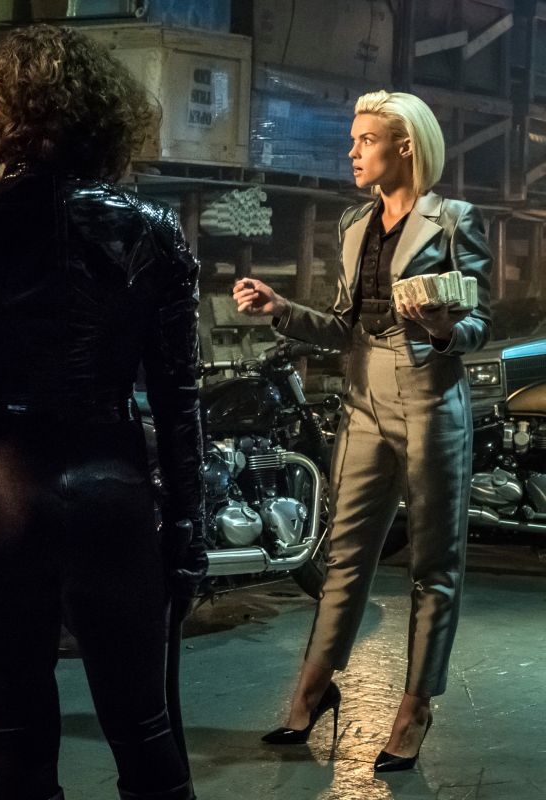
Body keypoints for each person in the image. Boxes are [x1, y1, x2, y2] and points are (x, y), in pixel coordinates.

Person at [0, 25, 207, 800]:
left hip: (2, 492)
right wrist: (188, 533)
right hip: (112, 491)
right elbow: (180, 401)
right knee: (145, 733)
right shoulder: (156, 234)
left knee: (21, 749)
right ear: (105, 118)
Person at [234, 90, 492, 771]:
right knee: (344, 555)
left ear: (405, 147)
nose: (351, 151)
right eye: (353, 140)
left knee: (433, 565)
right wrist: (281, 308)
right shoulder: (354, 224)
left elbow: (479, 323)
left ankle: (416, 707)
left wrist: (443, 328)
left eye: (365, 140)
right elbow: (343, 326)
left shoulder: (453, 220)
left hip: (431, 398)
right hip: (362, 396)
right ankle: (312, 690)